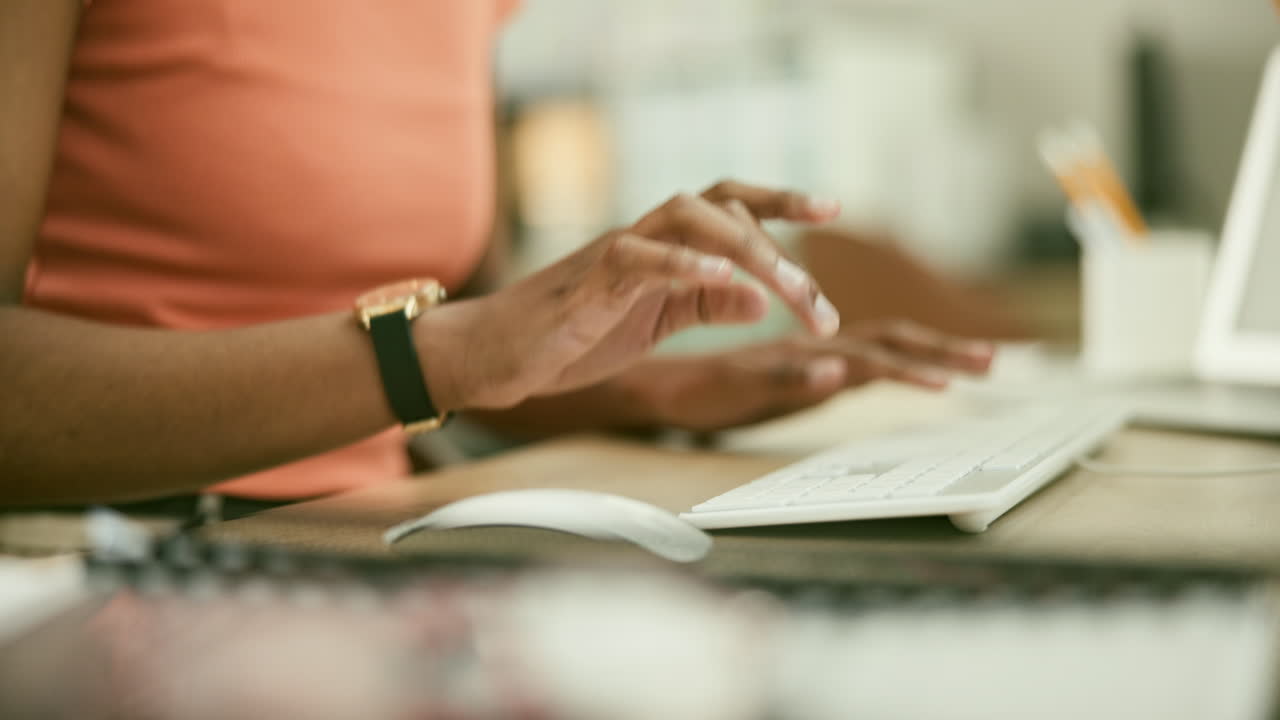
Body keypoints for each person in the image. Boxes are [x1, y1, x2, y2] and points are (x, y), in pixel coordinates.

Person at [0, 0, 992, 510]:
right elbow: (435, 351)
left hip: (368, 539)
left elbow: (461, 327)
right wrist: (446, 353)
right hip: (113, 554)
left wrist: (658, 392)